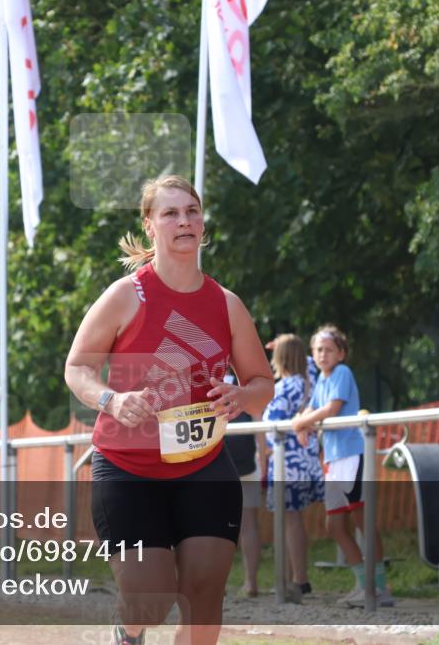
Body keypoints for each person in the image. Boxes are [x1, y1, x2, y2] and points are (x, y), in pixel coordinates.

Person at [64, 175, 273, 645]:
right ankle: (128, 630)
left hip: (203, 465)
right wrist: (112, 399)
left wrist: (241, 396)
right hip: (128, 467)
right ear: (149, 224)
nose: (184, 221)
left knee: (205, 596)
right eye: (171, 213)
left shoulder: (226, 304)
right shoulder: (126, 295)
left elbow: (263, 384)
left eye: (192, 211)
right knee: (150, 599)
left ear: (202, 222)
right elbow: (77, 368)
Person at [292, 325, 392, 608]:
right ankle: (363, 583)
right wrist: (303, 421)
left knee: (362, 520)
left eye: (328, 349)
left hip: (351, 454)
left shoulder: (342, 373)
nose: (322, 354)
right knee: (334, 525)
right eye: (318, 349)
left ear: (341, 354)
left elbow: (331, 408)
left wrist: (301, 423)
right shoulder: (321, 380)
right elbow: (312, 408)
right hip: (333, 459)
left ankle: (379, 586)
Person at [263, 333, 323, 603]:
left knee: (289, 520)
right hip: (306, 460)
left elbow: (271, 424)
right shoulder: (310, 381)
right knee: (292, 519)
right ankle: (291, 578)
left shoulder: (284, 387)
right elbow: (308, 362)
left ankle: (297, 579)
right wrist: (288, 346)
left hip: (287, 461)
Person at [221, 372, 265, 598]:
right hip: (248, 464)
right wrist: (264, 463)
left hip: (217, 465)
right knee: (249, 525)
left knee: (216, 528)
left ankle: (218, 583)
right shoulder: (247, 386)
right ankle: (251, 582)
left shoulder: (206, 384)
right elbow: (259, 427)